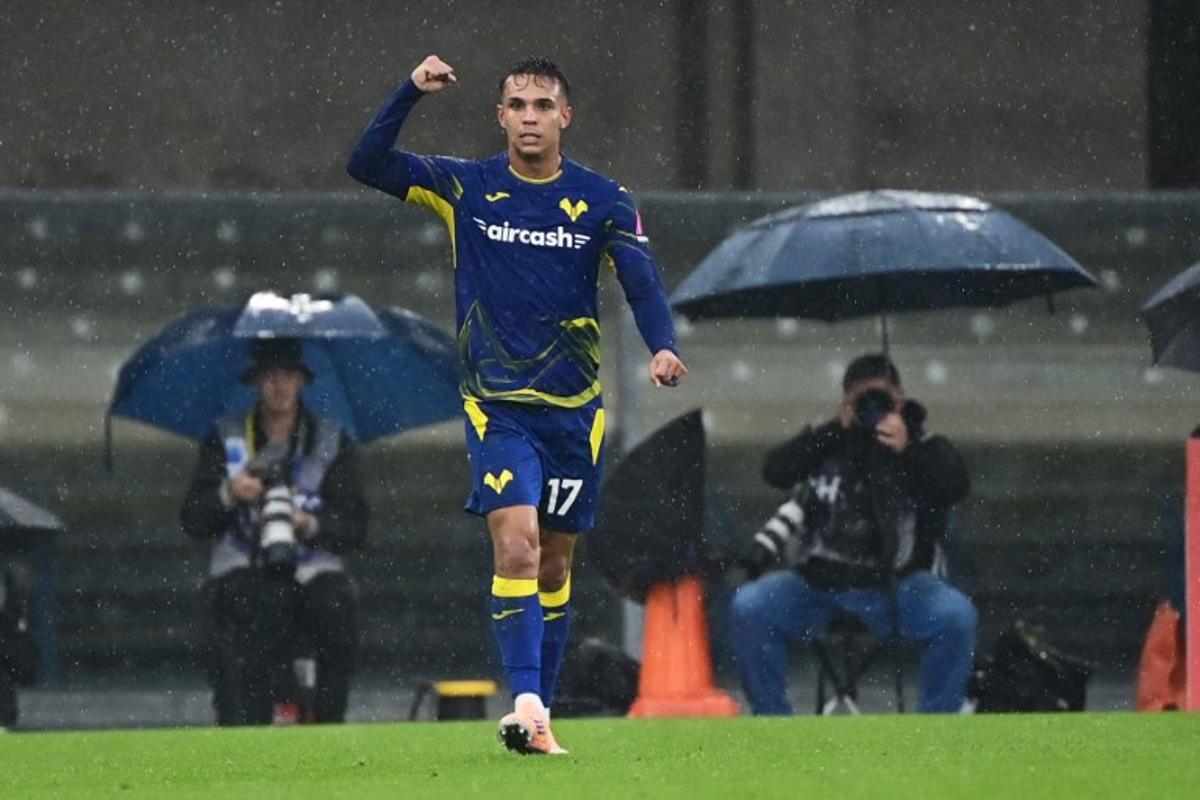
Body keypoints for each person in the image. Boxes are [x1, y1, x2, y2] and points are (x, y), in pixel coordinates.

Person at [347, 55, 686, 753]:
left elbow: (643, 283)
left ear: (566, 116)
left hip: (572, 412)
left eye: (542, 105)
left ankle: (542, 711)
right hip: (496, 405)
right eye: (517, 105)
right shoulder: (464, 186)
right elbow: (366, 162)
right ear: (499, 116)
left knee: (556, 564)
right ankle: (527, 703)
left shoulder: (605, 199)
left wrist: (662, 345)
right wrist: (409, 90)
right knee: (517, 542)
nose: (529, 117)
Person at [731, 353, 976, 714]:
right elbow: (776, 471)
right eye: (864, 400)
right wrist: (835, 430)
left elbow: (954, 486)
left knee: (957, 616)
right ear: (847, 402)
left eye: (883, 399)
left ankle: (937, 723)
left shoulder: (922, 443)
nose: (873, 409)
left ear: (901, 400)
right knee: (750, 607)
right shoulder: (827, 439)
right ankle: (773, 723)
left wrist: (908, 448)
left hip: (899, 583)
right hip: (817, 584)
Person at [181, 338, 368, 725]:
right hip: (245, 567)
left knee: (335, 608)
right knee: (247, 609)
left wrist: (308, 524)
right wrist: (229, 494)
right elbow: (193, 519)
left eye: (287, 377)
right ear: (255, 383)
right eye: (269, 378)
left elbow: (356, 524)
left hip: (313, 568)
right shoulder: (226, 438)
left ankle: (329, 721)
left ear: (301, 381)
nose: (279, 387)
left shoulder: (332, 442)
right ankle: (246, 726)